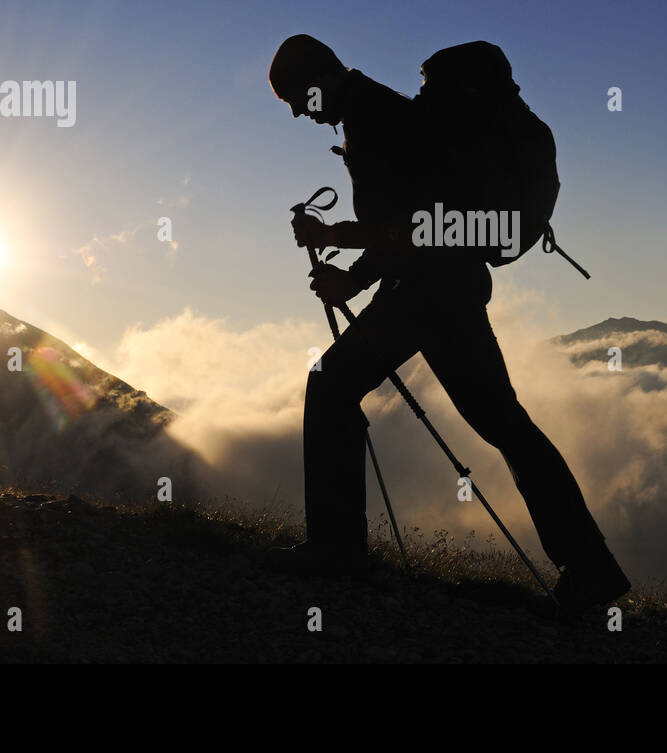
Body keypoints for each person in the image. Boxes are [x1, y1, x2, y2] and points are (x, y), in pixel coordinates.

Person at [266, 34, 630, 617]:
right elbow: (416, 223)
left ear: (320, 80)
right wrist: (346, 254)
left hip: (427, 293)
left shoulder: (373, 117)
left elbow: (411, 227)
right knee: (504, 423)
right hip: (447, 288)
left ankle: (337, 548)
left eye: (296, 100)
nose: (298, 114)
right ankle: (591, 565)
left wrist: (344, 266)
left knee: (332, 384)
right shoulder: (385, 112)